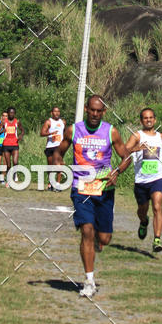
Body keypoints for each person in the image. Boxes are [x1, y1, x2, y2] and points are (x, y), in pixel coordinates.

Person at [54, 95, 133, 298]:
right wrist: (58, 165)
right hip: (81, 188)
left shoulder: (111, 131)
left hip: (104, 190)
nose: (95, 114)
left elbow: (127, 156)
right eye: (92, 110)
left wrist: (116, 172)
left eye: (99, 111)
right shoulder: (73, 130)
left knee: (104, 238)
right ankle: (89, 281)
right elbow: (59, 152)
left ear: (103, 112)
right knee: (87, 231)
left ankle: (98, 240)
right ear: (86, 110)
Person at [125, 108, 162, 253]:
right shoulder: (137, 136)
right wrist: (136, 148)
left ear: (155, 120)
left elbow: (158, 152)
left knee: (157, 206)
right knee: (142, 210)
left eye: (151, 117)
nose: (148, 120)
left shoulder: (161, 136)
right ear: (141, 121)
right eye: (145, 118)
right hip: (141, 179)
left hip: (158, 176)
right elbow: (124, 150)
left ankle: (157, 240)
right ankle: (143, 221)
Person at [40, 106, 66, 191]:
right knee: (50, 166)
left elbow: (65, 133)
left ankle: (58, 184)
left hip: (59, 146)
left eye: (58, 111)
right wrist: (51, 133)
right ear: (51, 113)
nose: (57, 113)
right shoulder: (48, 122)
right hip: (50, 146)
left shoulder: (63, 122)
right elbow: (42, 133)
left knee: (58, 164)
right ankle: (51, 183)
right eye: (55, 111)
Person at [0, 107, 24, 185]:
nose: (11, 114)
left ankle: (15, 173)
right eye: (10, 113)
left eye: (13, 113)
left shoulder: (17, 121)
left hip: (15, 144)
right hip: (6, 144)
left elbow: (22, 130)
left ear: (15, 113)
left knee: (15, 162)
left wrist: (20, 136)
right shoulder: (4, 122)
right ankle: (9, 179)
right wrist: (2, 130)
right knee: (8, 164)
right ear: (8, 113)